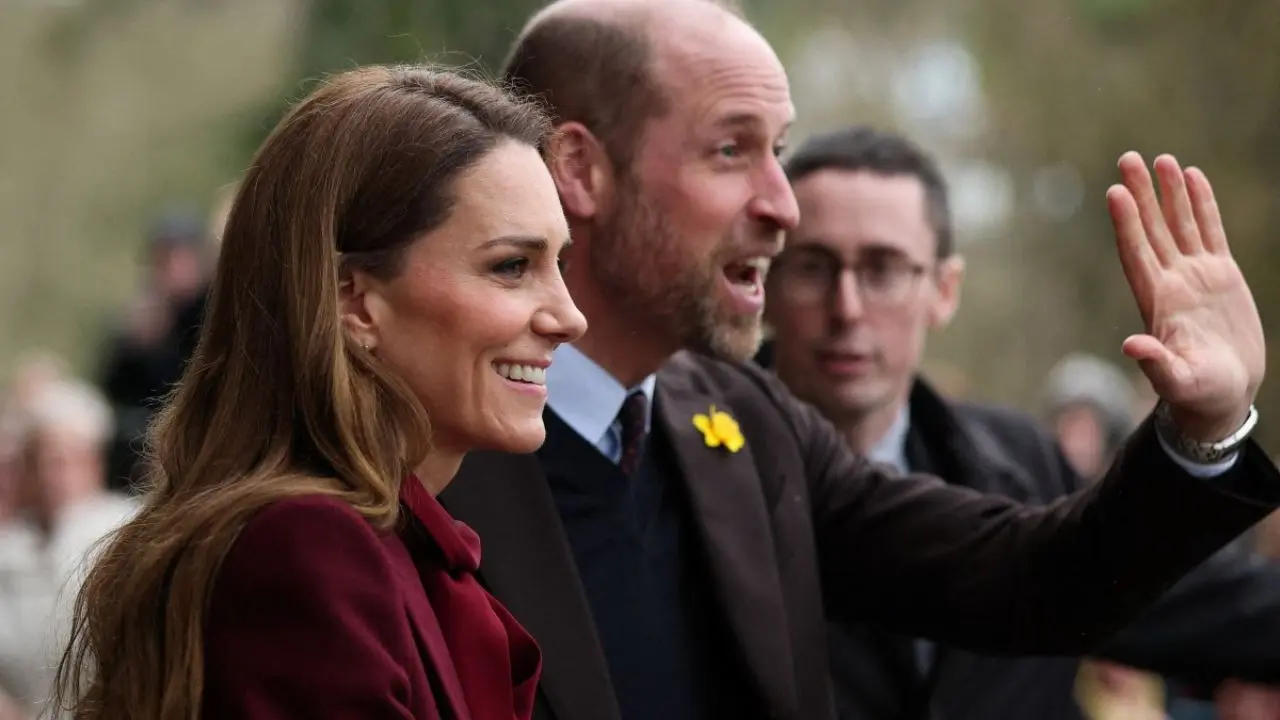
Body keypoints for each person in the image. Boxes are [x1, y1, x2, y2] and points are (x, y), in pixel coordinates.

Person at [438, 2, 1280, 720]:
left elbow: (1026, 580)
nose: (782, 205)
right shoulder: (409, 448)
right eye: (731, 150)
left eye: (779, 150)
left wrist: (1199, 433)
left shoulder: (747, 423)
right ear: (580, 170)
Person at [50, 65, 586, 720]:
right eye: (511, 267)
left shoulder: (387, 544)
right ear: (352, 299)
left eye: (558, 265)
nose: (568, 317)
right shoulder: (307, 550)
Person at [758, 126, 1280, 720]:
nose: (847, 308)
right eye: (813, 268)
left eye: (884, 269)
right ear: (764, 280)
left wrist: (1206, 429)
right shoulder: (700, 473)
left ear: (945, 290)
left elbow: (1185, 599)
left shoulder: (1016, 460)